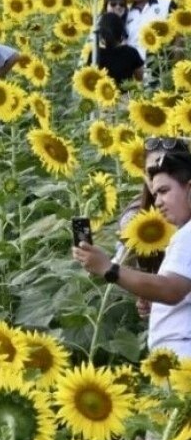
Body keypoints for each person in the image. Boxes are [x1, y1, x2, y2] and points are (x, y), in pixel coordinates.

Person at [74, 137, 191, 357]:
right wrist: (155, 299)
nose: (157, 202)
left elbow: (170, 289)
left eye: (164, 191)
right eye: (155, 194)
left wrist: (108, 269)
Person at [87, 12, 144, 87]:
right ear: (121, 30)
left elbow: (89, 79)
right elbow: (140, 78)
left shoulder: (95, 54)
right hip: (126, 97)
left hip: (101, 97)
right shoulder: (131, 52)